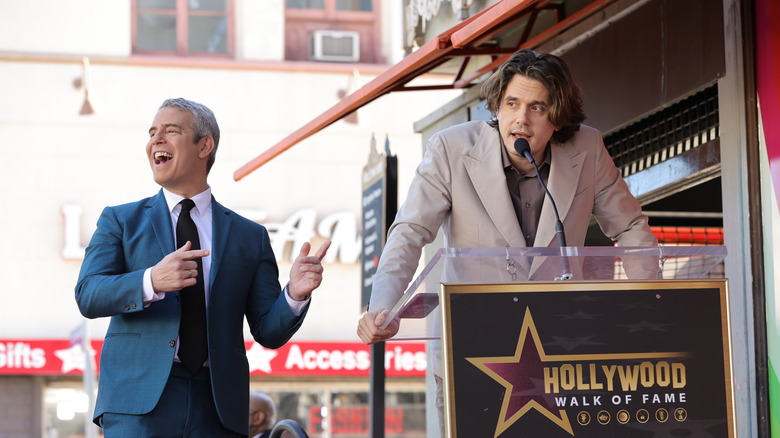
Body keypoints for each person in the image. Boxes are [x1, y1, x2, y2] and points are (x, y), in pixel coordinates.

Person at [356, 48, 658, 435]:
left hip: (563, 357)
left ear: (559, 116)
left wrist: (647, 298)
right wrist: (383, 307)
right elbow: (410, 232)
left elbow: (630, 226)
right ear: (497, 106)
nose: (521, 119)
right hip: (474, 354)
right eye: (511, 103)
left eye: (537, 107)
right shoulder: (450, 149)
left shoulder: (587, 147)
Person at [76, 97, 331, 437]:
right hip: (137, 403)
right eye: (152, 133)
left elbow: (268, 332)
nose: (156, 140)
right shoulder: (120, 220)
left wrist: (295, 294)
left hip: (218, 406)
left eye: (170, 131)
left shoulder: (249, 236)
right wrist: (151, 280)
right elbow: (88, 294)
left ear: (204, 146)